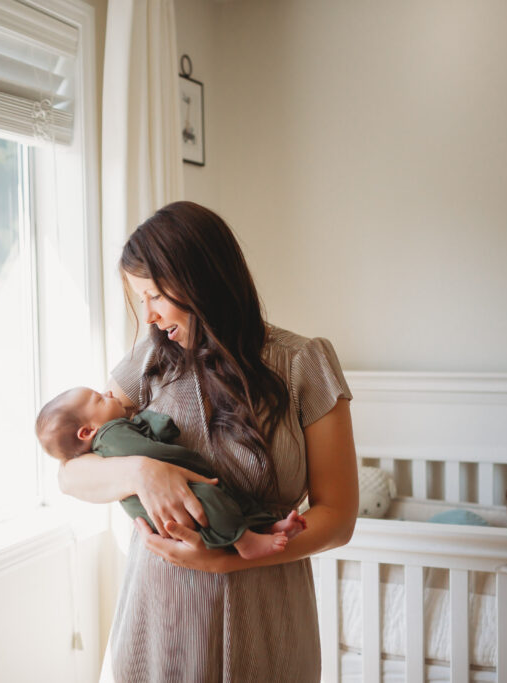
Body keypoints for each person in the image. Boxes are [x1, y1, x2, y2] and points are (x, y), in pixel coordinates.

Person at [57, 201, 358, 681]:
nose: (150, 316)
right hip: (161, 619)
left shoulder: (304, 363)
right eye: (141, 301)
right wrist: (142, 470)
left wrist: (227, 563)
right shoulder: (149, 363)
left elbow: (339, 517)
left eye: (154, 295)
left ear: (201, 279)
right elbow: (71, 472)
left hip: (268, 614)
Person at [36, 386, 308, 559]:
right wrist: (149, 469)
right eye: (99, 398)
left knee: (225, 500)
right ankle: (245, 541)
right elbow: (68, 476)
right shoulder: (112, 435)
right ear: (87, 432)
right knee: (212, 502)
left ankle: (264, 527)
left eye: (156, 297)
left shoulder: (114, 430)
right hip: (172, 515)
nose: (108, 392)